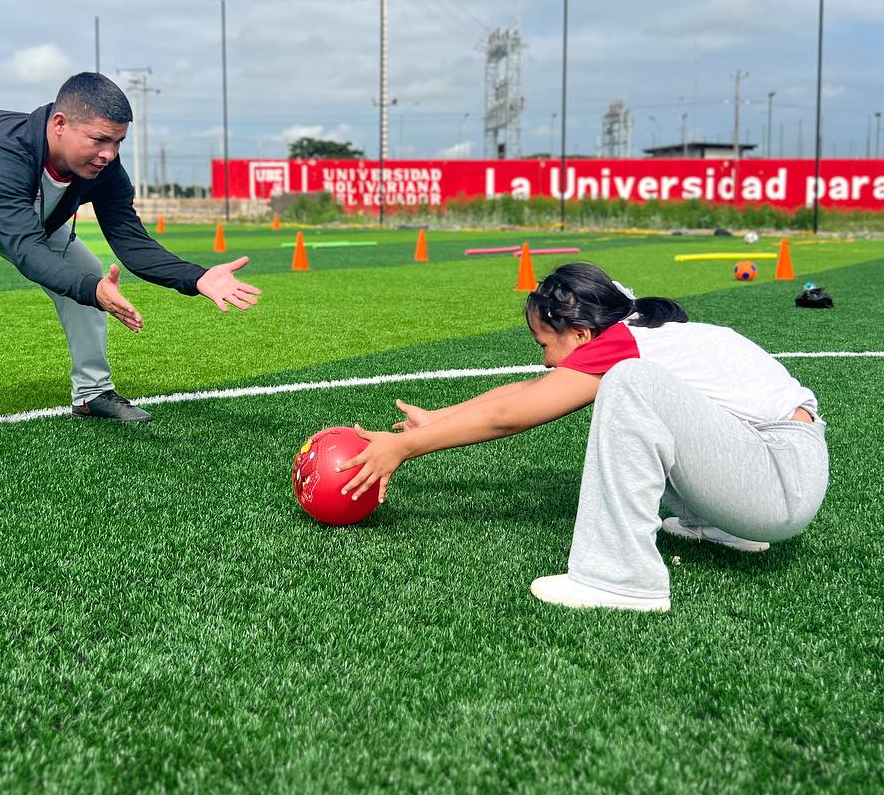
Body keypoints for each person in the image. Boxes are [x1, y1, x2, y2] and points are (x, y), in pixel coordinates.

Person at [337, 262, 828, 612]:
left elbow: (510, 417)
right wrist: (438, 419)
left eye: (544, 344)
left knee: (630, 385)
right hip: (769, 473)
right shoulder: (635, 332)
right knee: (639, 386)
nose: (545, 359)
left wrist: (404, 448)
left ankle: (622, 578)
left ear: (579, 335)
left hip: (777, 483)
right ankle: (711, 525)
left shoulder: (625, 348)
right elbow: (532, 391)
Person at [0, 72, 260, 471]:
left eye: (118, 141)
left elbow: (131, 242)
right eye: (99, 139)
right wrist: (91, 290)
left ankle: (92, 393)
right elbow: (26, 250)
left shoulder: (104, 169)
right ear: (60, 124)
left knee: (86, 268)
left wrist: (197, 277)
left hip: (6, 211)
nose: (109, 154)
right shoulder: (3, 154)